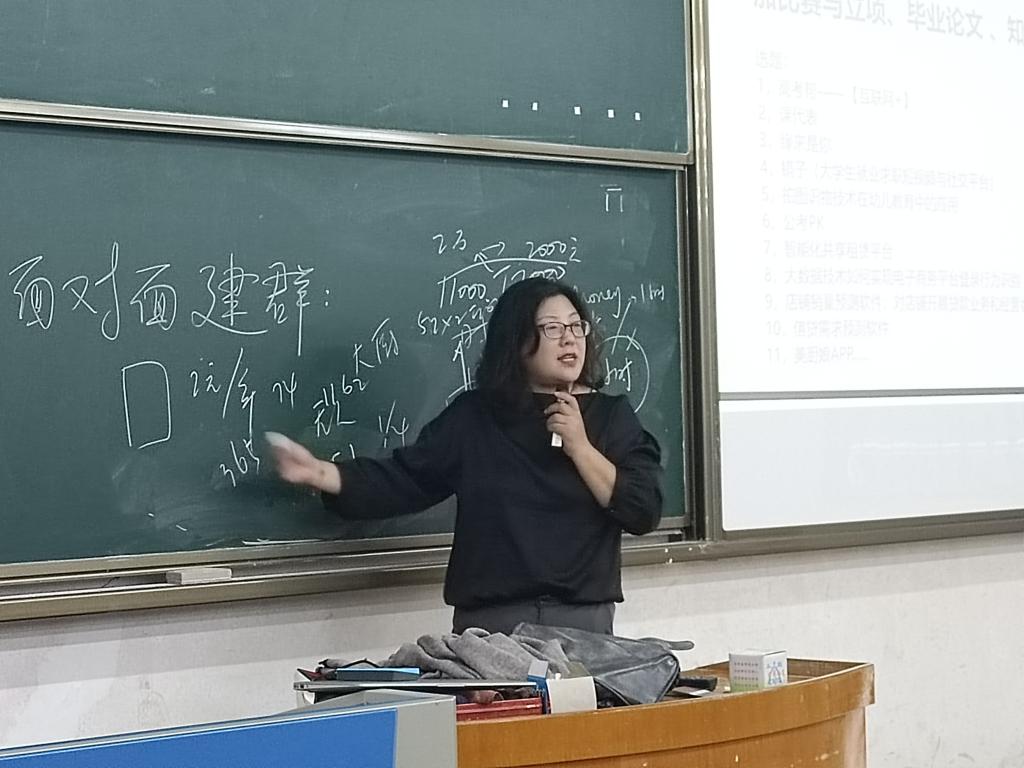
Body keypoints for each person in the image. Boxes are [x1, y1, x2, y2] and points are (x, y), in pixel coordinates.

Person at [268, 277, 663, 634]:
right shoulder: (477, 417)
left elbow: (642, 509)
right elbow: (408, 479)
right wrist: (322, 474)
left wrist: (580, 446)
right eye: (552, 329)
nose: (570, 340)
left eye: (577, 326)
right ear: (516, 341)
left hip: (583, 623)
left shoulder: (612, 417)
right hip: (493, 625)